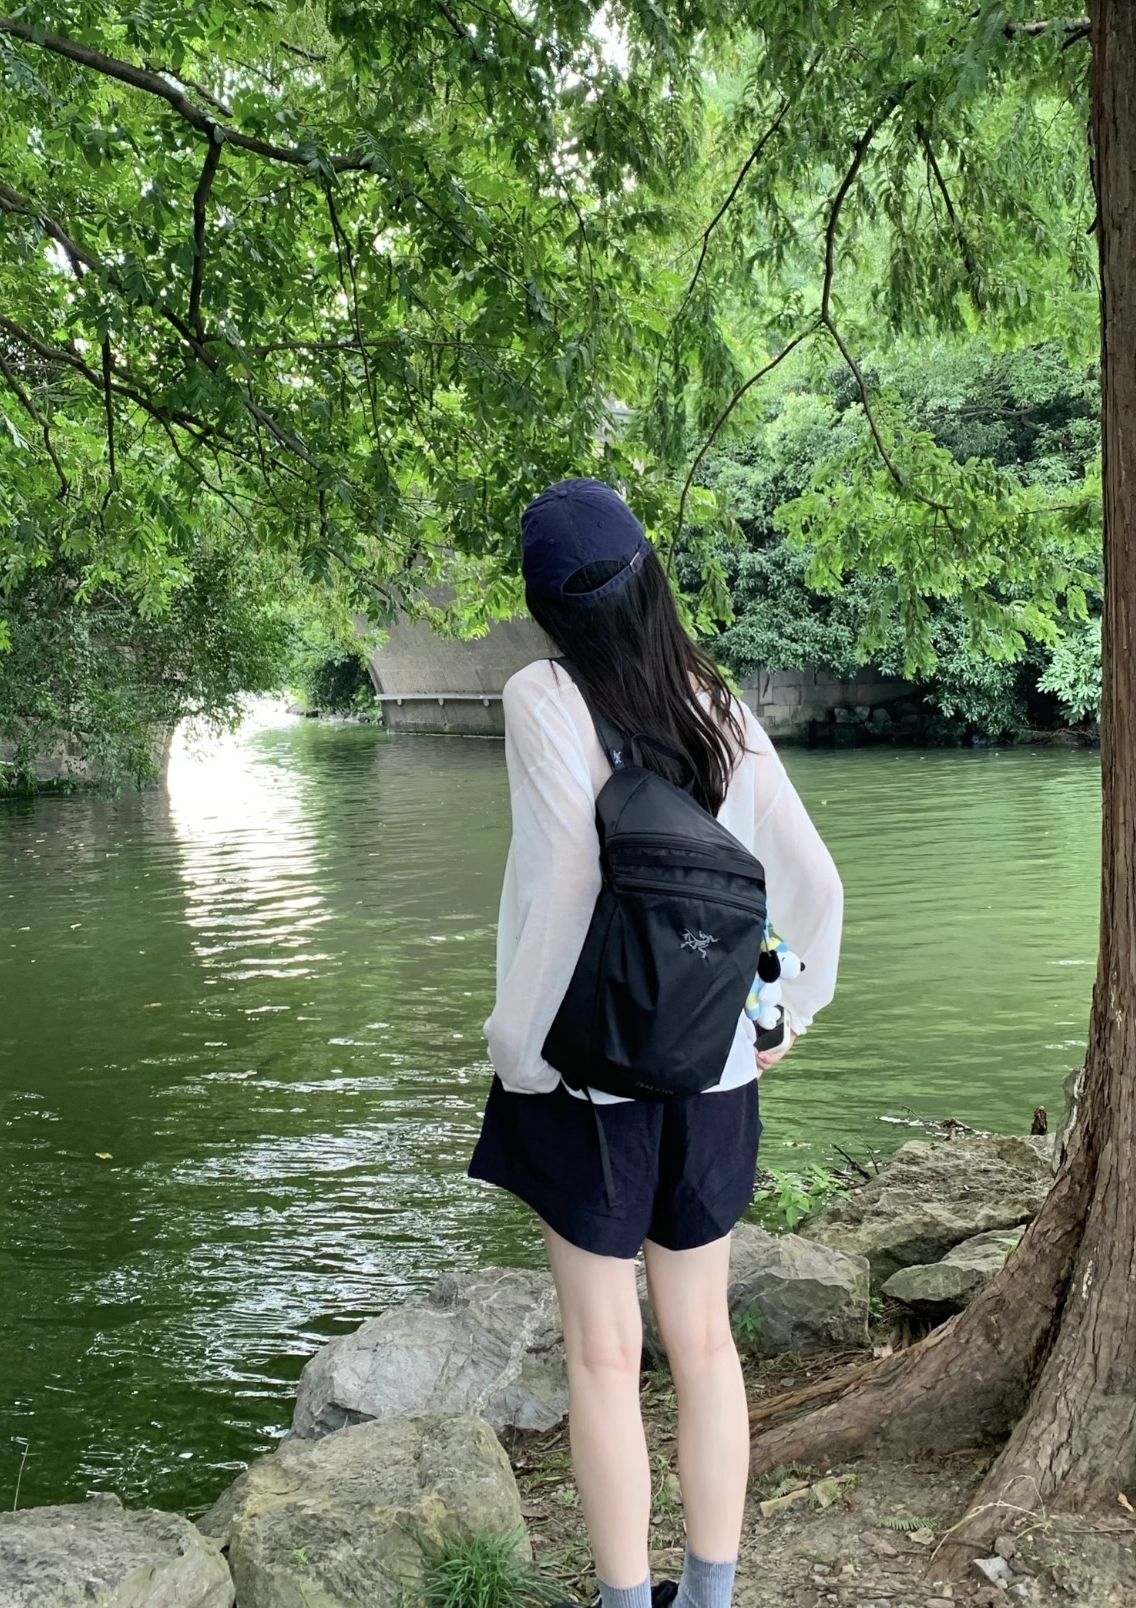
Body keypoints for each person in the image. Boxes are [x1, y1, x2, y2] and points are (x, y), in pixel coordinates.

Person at [469, 478, 843, 1608]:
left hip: (586, 1077)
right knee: (704, 1343)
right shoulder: (713, 700)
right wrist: (786, 1013)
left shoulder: (544, 695)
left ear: (548, 609)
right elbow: (811, 880)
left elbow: (566, 886)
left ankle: (629, 1601)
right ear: (652, 579)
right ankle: (710, 1596)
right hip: (714, 1070)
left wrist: (518, 1052)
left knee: (602, 1356)